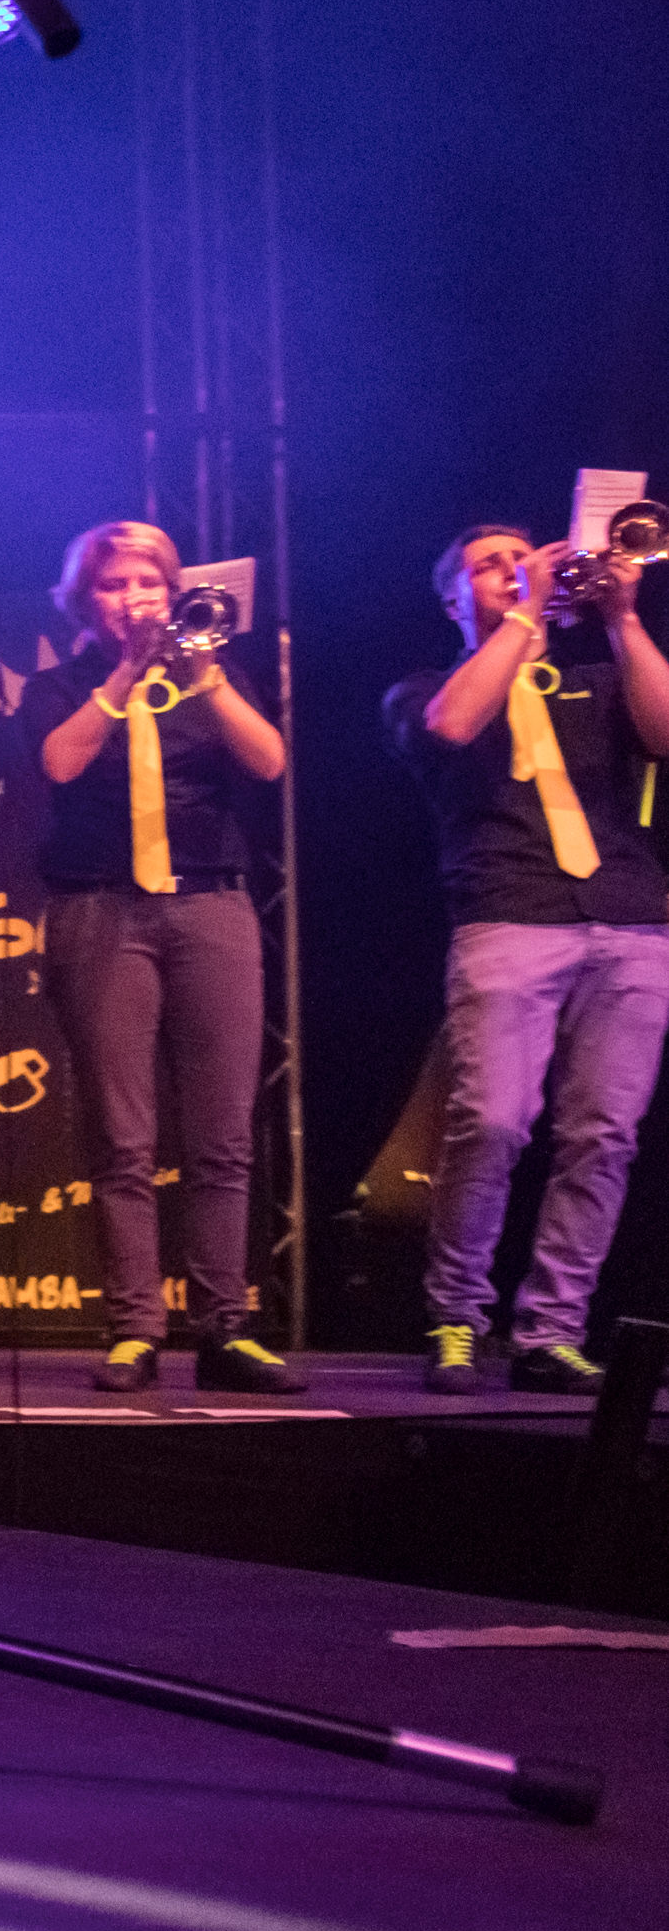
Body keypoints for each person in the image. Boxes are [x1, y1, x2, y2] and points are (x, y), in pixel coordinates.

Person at [387, 520, 669, 1396]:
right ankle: (456, 1317)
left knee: (603, 1137)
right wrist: (524, 615)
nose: (514, 570)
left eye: (523, 558)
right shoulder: (424, 688)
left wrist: (623, 618)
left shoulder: (598, 677)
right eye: (489, 566)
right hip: (509, 916)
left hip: (631, 920)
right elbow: (453, 724)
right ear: (451, 599)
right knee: (493, 1123)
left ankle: (552, 1329)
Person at [29, 519, 297, 1393]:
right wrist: (123, 674)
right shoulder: (59, 683)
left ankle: (225, 1328)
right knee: (122, 1138)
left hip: (210, 904)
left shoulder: (212, 673)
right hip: (101, 907)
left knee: (223, 1135)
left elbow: (268, 761)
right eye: (114, 585)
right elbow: (59, 764)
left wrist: (203, 675)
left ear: (174, 592)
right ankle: (134, 1329)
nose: (134, 598)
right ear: (84, 600)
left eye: (149, 583)